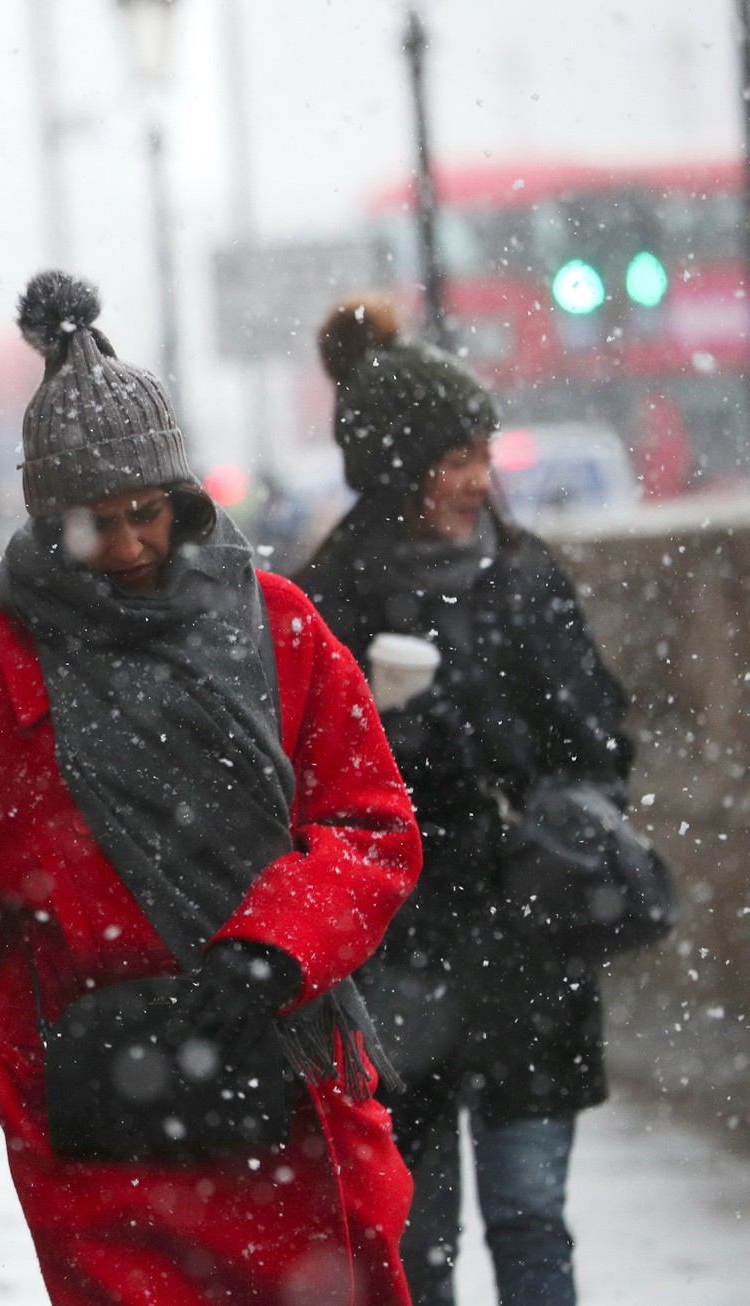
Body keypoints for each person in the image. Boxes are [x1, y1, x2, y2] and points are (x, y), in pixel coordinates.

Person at [0, 272, 423, 1305]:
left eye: (143, 516)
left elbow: (369, 824)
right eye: (91, 525)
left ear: (181, 500)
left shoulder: (278, 621)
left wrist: (270, 948)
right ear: (45, 520)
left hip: (280, 1062)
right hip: (97, 1104)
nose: (124, 547)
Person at [297, 297, 631, 1306]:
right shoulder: (326, 600)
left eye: (479, 454)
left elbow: (603, 741)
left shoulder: (525, 578)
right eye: (454, 459)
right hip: (399, 961)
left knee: (529, 1216)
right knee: (414, 1238)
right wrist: (396, 735)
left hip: (527, 947)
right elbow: (304, 790)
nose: (475, 480)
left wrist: (564, 808)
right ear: (398, 470)